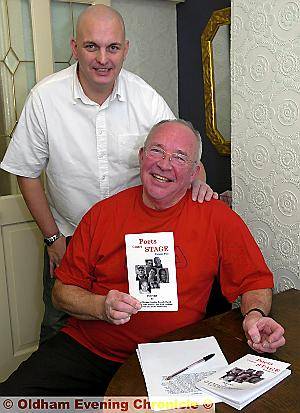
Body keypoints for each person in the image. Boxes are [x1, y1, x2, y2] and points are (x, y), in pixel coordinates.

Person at [0, 119, 285, 397]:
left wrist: (255, 316)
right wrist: (101, 306)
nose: (164, 164)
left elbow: (254, 281)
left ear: (194, 172)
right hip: (90, 349)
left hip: (174, 357)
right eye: (157, 150)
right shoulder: (103, 215)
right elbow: (62, 293)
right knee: (12, 400)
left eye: (179, 157)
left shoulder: (217, 218)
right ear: (141, 157)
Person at [0, 5, 217, 343]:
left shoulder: (145, 97)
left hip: (137, 241)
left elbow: (183, 153)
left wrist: (199, 181)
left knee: (136, 331)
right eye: (91, 47)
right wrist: (52, 238)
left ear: (125, 49)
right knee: (60, 332)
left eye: (112, 47)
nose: (103, 58)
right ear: (75, 48)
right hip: (70, 240)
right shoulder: (44, 99)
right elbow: (25, 172)